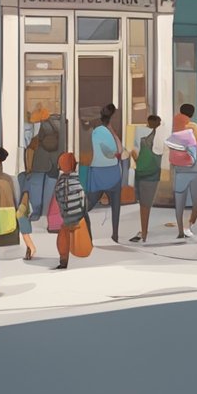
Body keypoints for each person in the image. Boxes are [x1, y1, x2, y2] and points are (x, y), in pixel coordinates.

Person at [0, 144, 34, 262]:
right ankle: (30, 245)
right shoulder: (10, 180)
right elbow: (19, 207)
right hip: (11, 229)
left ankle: (30, 245)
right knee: (21, 209)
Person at [86, 104, 125, 243]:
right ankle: (115, 234)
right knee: (115, 205)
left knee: (88, 204)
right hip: (112, 172)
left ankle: (83, 232)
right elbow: (118, 151)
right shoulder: (105, 132)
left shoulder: (96, 131)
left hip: (97, 171)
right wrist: (113, 133)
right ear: (112, 117)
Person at [23, 109, 63, 233]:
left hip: (40, 160)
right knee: (50, 191)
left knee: (36, 188)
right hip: (54, 161)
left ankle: (36, 213)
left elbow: (31, 144)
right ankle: (45, 213)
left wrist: (28, 166)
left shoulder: (38, 126)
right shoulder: (59, 124)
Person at [168, 108, 197, 239]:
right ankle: (189, 226)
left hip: (179, 170)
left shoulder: (174, 127)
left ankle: (180, 231)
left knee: (179, 202)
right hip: (196, 169)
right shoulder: (193, 127)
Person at [128, 115, 164, 244]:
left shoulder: (141, 136)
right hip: (153, 175)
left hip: (141, 174)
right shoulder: (161, 137)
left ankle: (143, 233)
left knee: (143, 205)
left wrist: (135, 158)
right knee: (146, 206)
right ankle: (144, 233)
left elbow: (134, 153)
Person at [52, 153, 89, 270]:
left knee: (63, 234)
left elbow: (58, 199)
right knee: (85, 223)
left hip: (66, 217)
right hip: (79, 216)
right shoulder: (79, 180)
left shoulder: (59, 183)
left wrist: (65, 212)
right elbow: (83, 200)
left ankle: (64, 259)